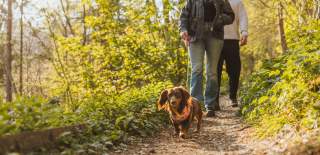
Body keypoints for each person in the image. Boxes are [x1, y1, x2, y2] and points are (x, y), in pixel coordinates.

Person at [179, 0, 235, 117]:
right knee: (196, 69)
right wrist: (183, 30)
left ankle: (210, 105)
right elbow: (184, 16)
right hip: (195, 36)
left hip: (215, 36)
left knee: (212, 72)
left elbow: (230, 16)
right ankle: (195, 105)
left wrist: (219, 19)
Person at [216, 0, 248, 108]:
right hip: (215, 40)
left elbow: (243, 17)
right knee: (215, 71)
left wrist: (244, 32)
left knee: (235, 70)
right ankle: (214, 100)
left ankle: (232, 97)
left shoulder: (237, 2)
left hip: (233, 40)